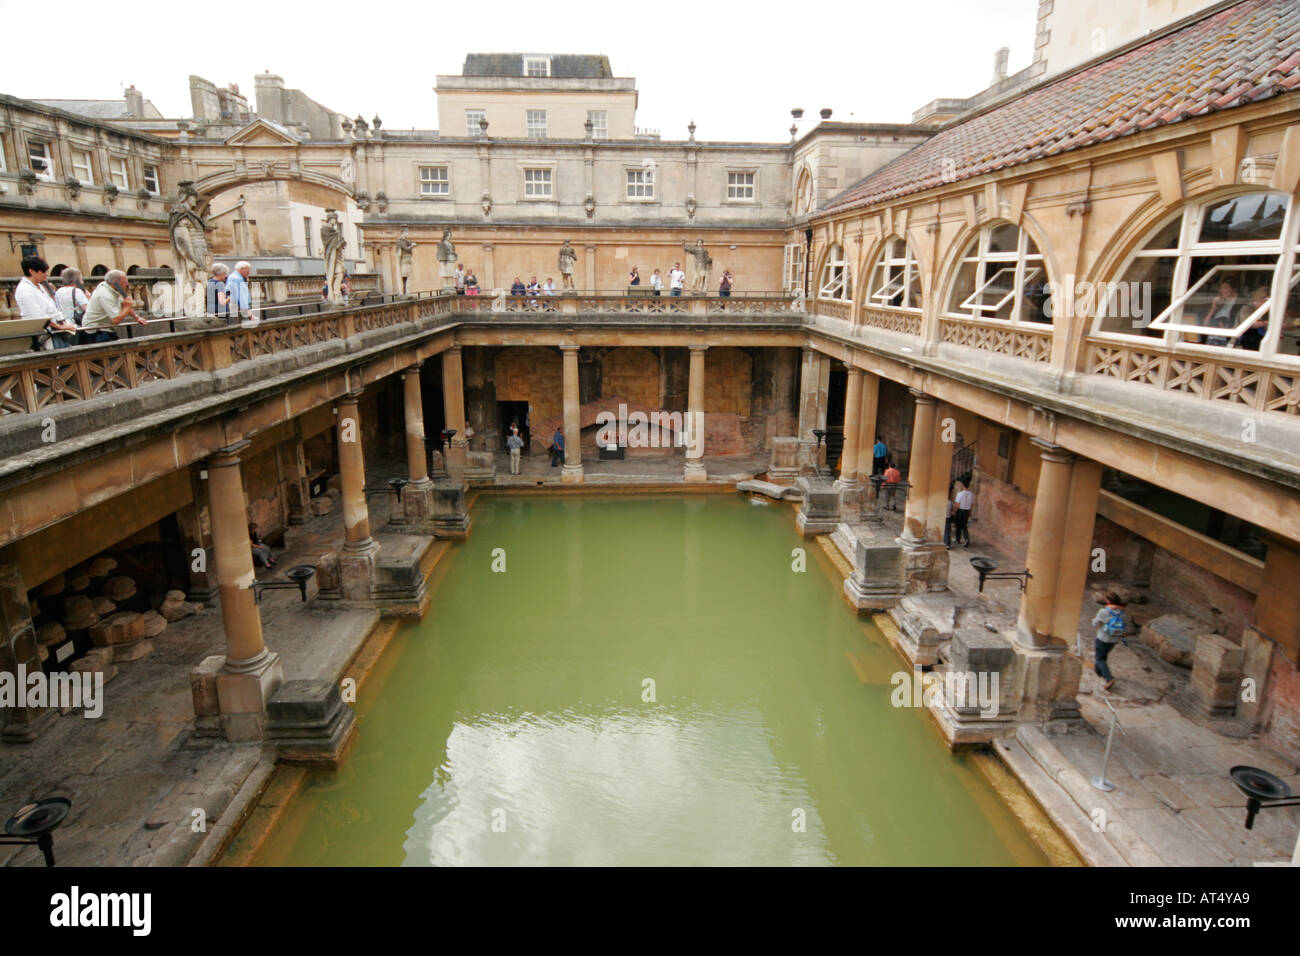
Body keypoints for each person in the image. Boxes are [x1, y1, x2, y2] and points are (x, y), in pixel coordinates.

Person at [16, 256, 77, 350]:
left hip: (56, 329)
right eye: (43, 272)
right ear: (32, 271)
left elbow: (51, 307)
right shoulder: (25, 289)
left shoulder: (39, 286)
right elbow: (37, 316)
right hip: (45, 334)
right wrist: (60, 327)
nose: (46, 274)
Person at [80, 269, 144, 343]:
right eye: (125, 282)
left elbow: (124, 303)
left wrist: (136, 317)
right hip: (96, 331)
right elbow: (116, 319)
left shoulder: (112, 286)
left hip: (105, 328)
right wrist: (127, 307)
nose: (127, 285)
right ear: (116, 282)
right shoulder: (105, 294)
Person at [1089, 592, 1130, 691]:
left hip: (1103, 638)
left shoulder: (1104, 612)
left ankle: (1109, 678)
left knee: (1099, 658)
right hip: (1114, 639)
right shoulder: (1122, 612)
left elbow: (1095, 623)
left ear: (1108, 601)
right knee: (1103, 655)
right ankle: (1098, 671)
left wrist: (1094, 620)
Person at [53, 268, 89, 349]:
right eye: (81, 279)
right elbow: (88, 310)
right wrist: (89, 298)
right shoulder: (77, 291)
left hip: (63, 325)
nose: (82, 282)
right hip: (76, 327)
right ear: (76, 280)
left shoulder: (58, 292)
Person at [1201, 277, 1241, 347]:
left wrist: (1225, 328)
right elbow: (1205, 323)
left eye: (1225, 288)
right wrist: (1213, 308)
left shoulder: (1240, 304)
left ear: (1234, 289)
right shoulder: (1220, 302)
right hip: (1213, 337)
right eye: (1221, 288)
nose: (1222, 290)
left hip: (1228, 339)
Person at [1235, 286, 1269, 351]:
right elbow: (1249, 324)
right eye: (1266, 299)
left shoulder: (1267, 311)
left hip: (1260, 342)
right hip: (1246, 342)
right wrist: (1267, 323)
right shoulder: (1247, 308)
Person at [952, 481, 974, 546]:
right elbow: (972, 504)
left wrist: (954, 511)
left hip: (960, 511)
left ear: (963, 485)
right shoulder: (971, 494)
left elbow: (957, 504)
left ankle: (957, 539)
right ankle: (966, 540)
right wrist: (970, 512)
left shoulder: (960, 494)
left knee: (958, 526)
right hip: (966, 511)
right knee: (964, 527)